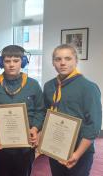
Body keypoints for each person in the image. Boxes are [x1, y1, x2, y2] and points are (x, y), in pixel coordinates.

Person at [0, 45, 45, 176]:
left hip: (25, 145)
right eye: (7, 61)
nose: (11, 65)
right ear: (1, 63)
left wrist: (35, 129)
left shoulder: (33, 84)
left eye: (16, 61)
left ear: (23, 62)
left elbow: (40, 110)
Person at [43, 44, 102, 176]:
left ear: (76, 60)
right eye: (58, 59)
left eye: (68, 58)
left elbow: (93, 125)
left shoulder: (88, 88)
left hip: (79, 150)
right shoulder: (49, 86)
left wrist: (77, 154)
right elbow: (46, 114)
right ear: (53, 62)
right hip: (56, 146)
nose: (63, 63)